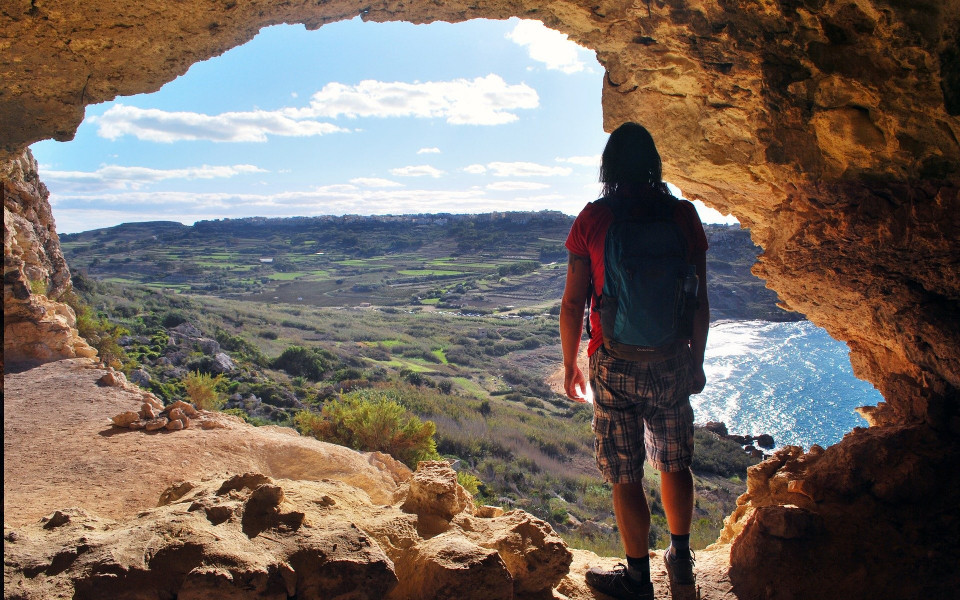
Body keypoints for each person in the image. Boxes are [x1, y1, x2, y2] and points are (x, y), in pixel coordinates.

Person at [559, 122, 709, 600]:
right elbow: (700, 301)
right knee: (674, 462)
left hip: (614, 363)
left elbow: (573, 304)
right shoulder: (682, 215)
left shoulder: (593, 218)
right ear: (654, 164)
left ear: (608, 167)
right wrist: (697, 361)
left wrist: (570, 363)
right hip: (672, 360)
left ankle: (638, 579)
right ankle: (681, 563)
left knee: (625, 473)